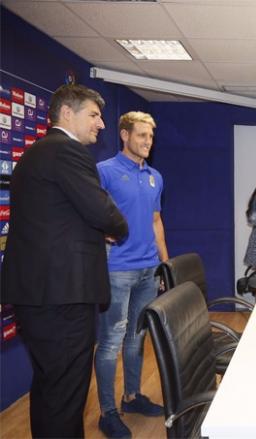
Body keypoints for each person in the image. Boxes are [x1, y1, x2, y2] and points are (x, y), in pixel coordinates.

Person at [0, 84, 128, 438]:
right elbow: (105, 213)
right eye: (94, 115)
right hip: (62, 296)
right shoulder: (66, 152)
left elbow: (57, 218)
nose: (101, 124)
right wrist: (115, 226)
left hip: (40, 294)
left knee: (50, 389)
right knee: (66, 395)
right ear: (67, 114)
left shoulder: (37, 154)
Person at [94, 111, 169, 438]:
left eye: (150, 137)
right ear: (124, 135)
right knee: (111, 342)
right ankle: (107, 413)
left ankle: (132, 397)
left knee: (137, 339)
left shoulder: (155, 176)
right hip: (117, 270)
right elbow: (89, 216)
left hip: (148, 269)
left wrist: (165, 263)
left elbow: (155, 222)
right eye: (141, 136)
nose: (147, 142)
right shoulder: (104, 172)